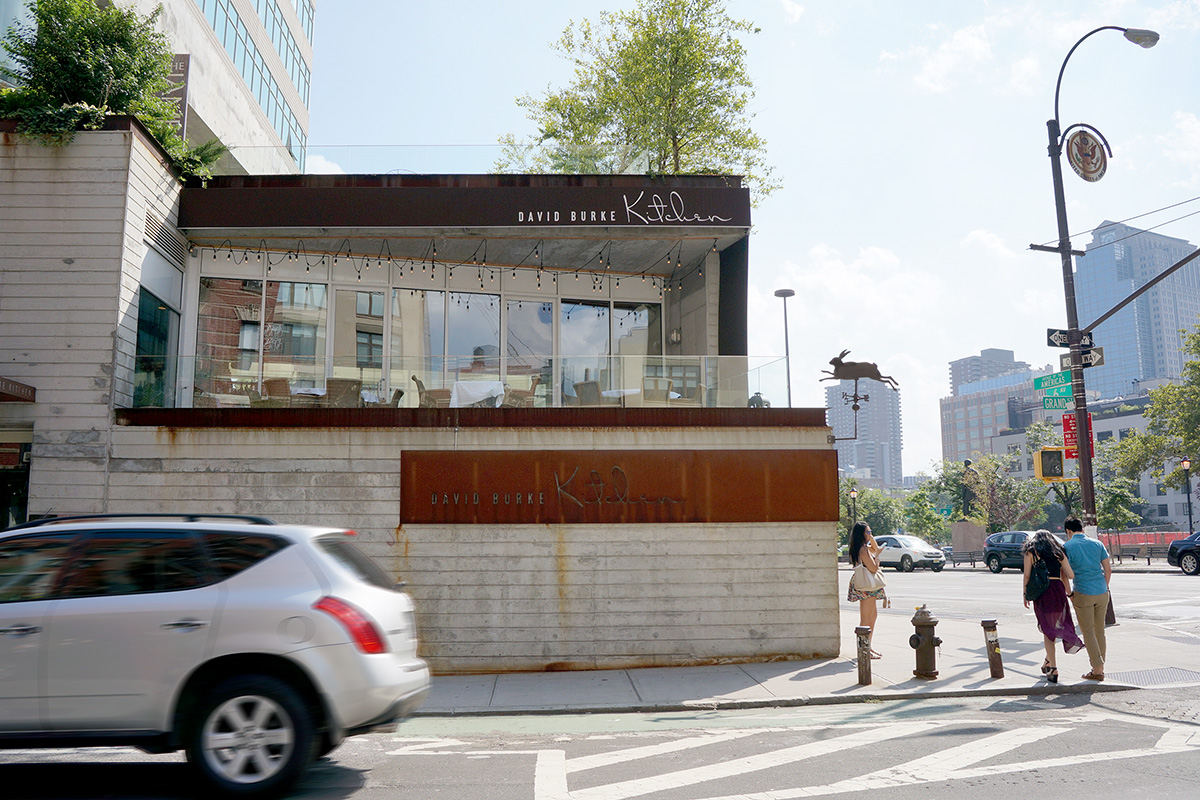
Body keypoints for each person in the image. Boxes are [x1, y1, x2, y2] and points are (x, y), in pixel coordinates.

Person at [1022, 529, 1084, 683]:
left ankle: (1053, 668)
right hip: (1057, 589)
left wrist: (1025, 594)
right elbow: (1070, 575)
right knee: (1051, 627)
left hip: (1042, 591)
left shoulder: (1032, 551)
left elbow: (1027, 575)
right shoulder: (1059, 552)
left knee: (1048, 629)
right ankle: (1048, 661)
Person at [1062, 517, 1112, 681]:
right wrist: (1104, 586)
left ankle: (1097, 669)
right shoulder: (1097, 544)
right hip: (1102, 591)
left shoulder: (1067, 547)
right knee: (1100, 631)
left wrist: (1069, 593)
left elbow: (1064, 574)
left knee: (1088, 632)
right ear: (1081, 528)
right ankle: (1100, 665)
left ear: (1068, 531)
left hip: (1083, 592)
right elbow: (1108, 569)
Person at [846, 521, 886, 659]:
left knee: (872, 616)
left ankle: (868, 646)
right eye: (868, 532)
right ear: (861, 534)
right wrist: (877, 559)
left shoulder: (863, 547)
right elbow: (874, 568)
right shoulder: (862, 549)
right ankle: (864, 649)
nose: (870, 534)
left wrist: (871, 538)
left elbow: (876, 549)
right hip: (866, 585)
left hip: (869, 585)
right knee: (866, 618)